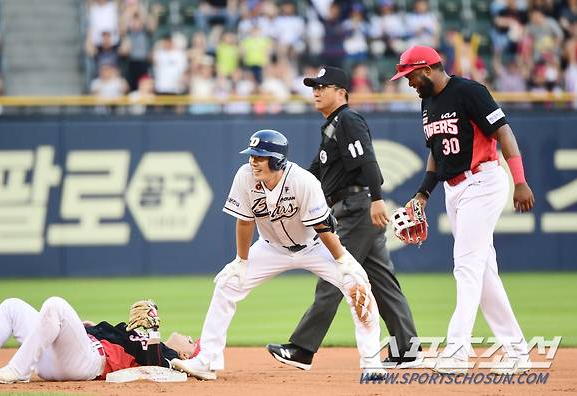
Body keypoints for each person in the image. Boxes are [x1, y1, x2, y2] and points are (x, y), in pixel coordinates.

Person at [170, 129, 386, 381]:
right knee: (227, 284)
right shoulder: (244, 176)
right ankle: (207, 360)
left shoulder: (304, 182)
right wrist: (241, 261)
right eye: (252, 155)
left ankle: (372, 363)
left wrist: (342, 260)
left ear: (277, 161)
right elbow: (244, 222)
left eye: (260, 157)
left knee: (358, 285)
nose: (253, 161)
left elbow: (323, 228)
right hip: (270, 248)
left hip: (315, 246)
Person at [390, 45, 535, 375]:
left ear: (427, 69)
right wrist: (423, 194)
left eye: (410, 75)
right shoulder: (427, 102)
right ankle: (517, 351)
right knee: (484, 272)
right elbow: (436, 153)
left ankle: (457, 351)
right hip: (454, 188)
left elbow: (504, 132)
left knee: (466, 266)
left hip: (483, 181)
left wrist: (520, 181)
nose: (408, 82)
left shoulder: (470, 91)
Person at [266, 66, 420, 369]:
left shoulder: (348, 119)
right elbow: (312, 174)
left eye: (323, 86)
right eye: (314, 87)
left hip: (356, 208)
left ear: (341, 92)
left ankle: (302, 349)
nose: (316, 92)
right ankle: (408, 349)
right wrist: (277, 186)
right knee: (381, 280)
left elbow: (369, 161)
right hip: (349, 207)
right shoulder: (331, 126)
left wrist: (377, 199)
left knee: (332, 275)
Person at [0, 297, 198, 383]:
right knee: (12, 306)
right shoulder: (137, 335)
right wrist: (89, 327)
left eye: (191, 342)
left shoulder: (167, 354)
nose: (189, 337)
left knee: (56, 304)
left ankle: (18, 370)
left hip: (87, 364)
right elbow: (114, 338)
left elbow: (155, 367)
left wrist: (153, 329)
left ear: (186, 356)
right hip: (62, 357)